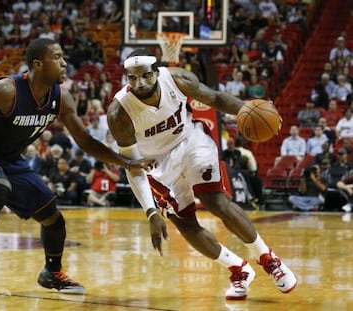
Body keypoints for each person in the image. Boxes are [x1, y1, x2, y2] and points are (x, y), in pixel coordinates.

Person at [0, 38, 152, 299]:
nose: (65, 63)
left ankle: (52, 272)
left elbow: (85, 141)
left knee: (53, 218)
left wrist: (126, 162)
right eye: (58, 57)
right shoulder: (8, 90)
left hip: (10, 160)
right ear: (38, 64)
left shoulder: (61, 98)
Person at [107, 49, 297, 300]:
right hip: (158, 164)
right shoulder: (119, 113)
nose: (139, 83)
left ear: (156, 71)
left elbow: (215, 98)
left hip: (191, 142)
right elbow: (132, 166)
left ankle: (268, 258)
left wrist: (247, 109)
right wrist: (151, 212)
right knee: (185, 223)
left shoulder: (177, 79)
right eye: (132, 78)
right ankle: (238, 269)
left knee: (215, 200)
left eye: (145, 76)